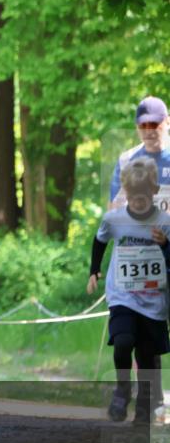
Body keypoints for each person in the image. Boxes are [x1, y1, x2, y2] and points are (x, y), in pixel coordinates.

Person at [89, 157, 170, 425]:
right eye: (133, 197)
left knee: (146, 357)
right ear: (125, 192)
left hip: (153, 299)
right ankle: (122, 391)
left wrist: (165, 244)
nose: (137, 202)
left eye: (143, 197)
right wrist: (94, 271)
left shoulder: (164, 222)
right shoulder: (114, 219)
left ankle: (144, 409)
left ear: (154, 191)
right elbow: (99, 240)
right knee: (123, 342)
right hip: (122, 294)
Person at [109, 96, 170, 416]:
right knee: (144, 332)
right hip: (138, 259)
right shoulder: (126, 160)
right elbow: (114, 208)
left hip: (167, 252)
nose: (149, 130)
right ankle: (150, 401)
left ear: (166, 123)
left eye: (154, 124)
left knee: (156, 332)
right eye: (143, 124)